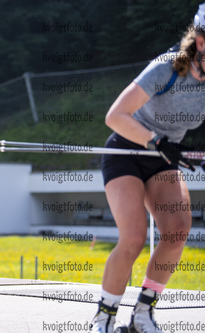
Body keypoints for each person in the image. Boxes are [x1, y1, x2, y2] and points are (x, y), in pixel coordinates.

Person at [90, 4, 205, 333]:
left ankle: (143, 313)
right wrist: (157, 140)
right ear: (200, 42)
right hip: (126, 150)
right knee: (134, 237)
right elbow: (115, 115)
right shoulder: (166, 69)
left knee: (178, 229)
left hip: (163, 159)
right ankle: (104, 318)